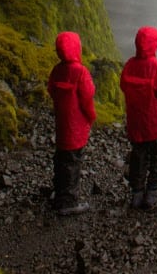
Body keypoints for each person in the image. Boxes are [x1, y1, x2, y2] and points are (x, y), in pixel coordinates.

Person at [120, 25, 157, 210]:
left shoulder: (129, 66)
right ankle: (152, 192)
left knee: (138, 156)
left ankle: (137, 193)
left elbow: (123, 86)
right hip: (155, 122)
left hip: (136, 122)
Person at [46, 31, 96, 215]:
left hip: (62, 124)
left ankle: (59, 192)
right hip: (76, 127)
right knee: (73, 162)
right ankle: (68, 201)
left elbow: (51, 89)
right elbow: (87, 97)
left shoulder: (57, 70)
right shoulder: (80, 72)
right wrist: (91, 116)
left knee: (61, 159)